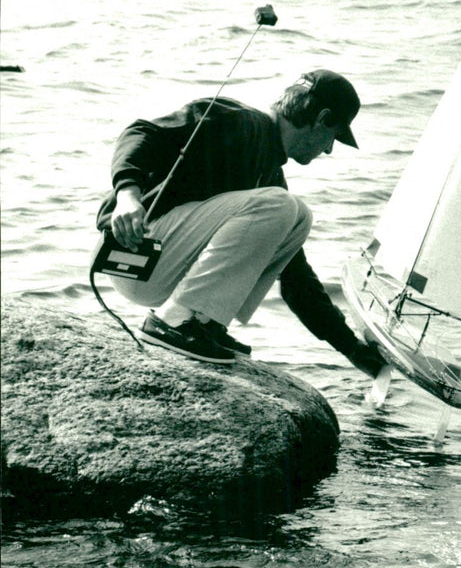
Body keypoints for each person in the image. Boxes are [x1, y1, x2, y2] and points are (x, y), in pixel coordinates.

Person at [95, 68, 385, 374]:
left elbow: (295, 279)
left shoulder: (271, 178)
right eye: (334, 136)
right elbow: (141, 132)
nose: (328, 149)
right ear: (322, 118)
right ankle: (177, 322)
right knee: (288, 207)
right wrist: (128, 196)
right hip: (132, 248)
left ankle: (203, 322)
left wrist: (351, 348)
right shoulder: (238, 120)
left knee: (297, 218)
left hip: (157, 268)